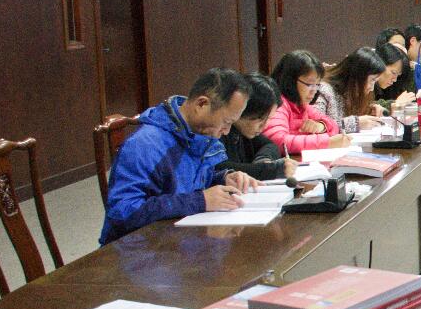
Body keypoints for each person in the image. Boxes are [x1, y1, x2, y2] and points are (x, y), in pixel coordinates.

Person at [99, 68, 257, 244]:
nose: (226, 131)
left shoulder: (198, 135)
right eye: (226, 122)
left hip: (174, 240)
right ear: (201, 104)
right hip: (139, 248)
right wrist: (200, 200)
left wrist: (222, 179)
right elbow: (123, 212)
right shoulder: (145, 145)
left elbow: (185, 181)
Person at [262, 50, 353, 154]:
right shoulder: (278, 104)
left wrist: (320, 126)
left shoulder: (301, 104)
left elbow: (334, 126)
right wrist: (327, 142)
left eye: (317, 85)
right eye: (309, 84)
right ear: (290, 81)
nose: (314, 91)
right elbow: (278, 141)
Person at [222, 73, 295, 181]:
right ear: (243, 109)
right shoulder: (218, 131)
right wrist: (268, 170)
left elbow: (270, 145)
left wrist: (262, 159)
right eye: (260, 118)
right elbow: (217, 168)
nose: (264, 125)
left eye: (268, 119)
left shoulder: (244, 131)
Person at [316, 48, 390, 133]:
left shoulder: (351, 93)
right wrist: (355, 123)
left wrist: (369, 110)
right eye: (372, 80)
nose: (372, 88)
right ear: (358, 76)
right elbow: (316, 127)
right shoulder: (323, 91)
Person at [372, 42, 417, 108]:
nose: (395, 80)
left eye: (398, 75)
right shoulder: (365, 81)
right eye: (393, 73)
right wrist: (395, 104)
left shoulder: (390, 87)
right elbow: (366, 106)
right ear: (380, 64)